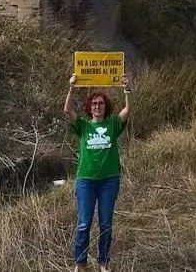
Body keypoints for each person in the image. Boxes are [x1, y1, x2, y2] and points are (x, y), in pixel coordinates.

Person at [64, 73, 131, 272]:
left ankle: (103, 262)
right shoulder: (83, 126)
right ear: (89, 107)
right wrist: (71, 88)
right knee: (84, 223)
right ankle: (81, 263)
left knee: (105, 224)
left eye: (100, 103)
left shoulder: (112, 124)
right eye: (94, 103)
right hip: (86, 181)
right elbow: (67, 110)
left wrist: (127, 89)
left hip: (108, 182)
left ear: (105, 106)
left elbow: (127, 110)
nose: (97, 106)